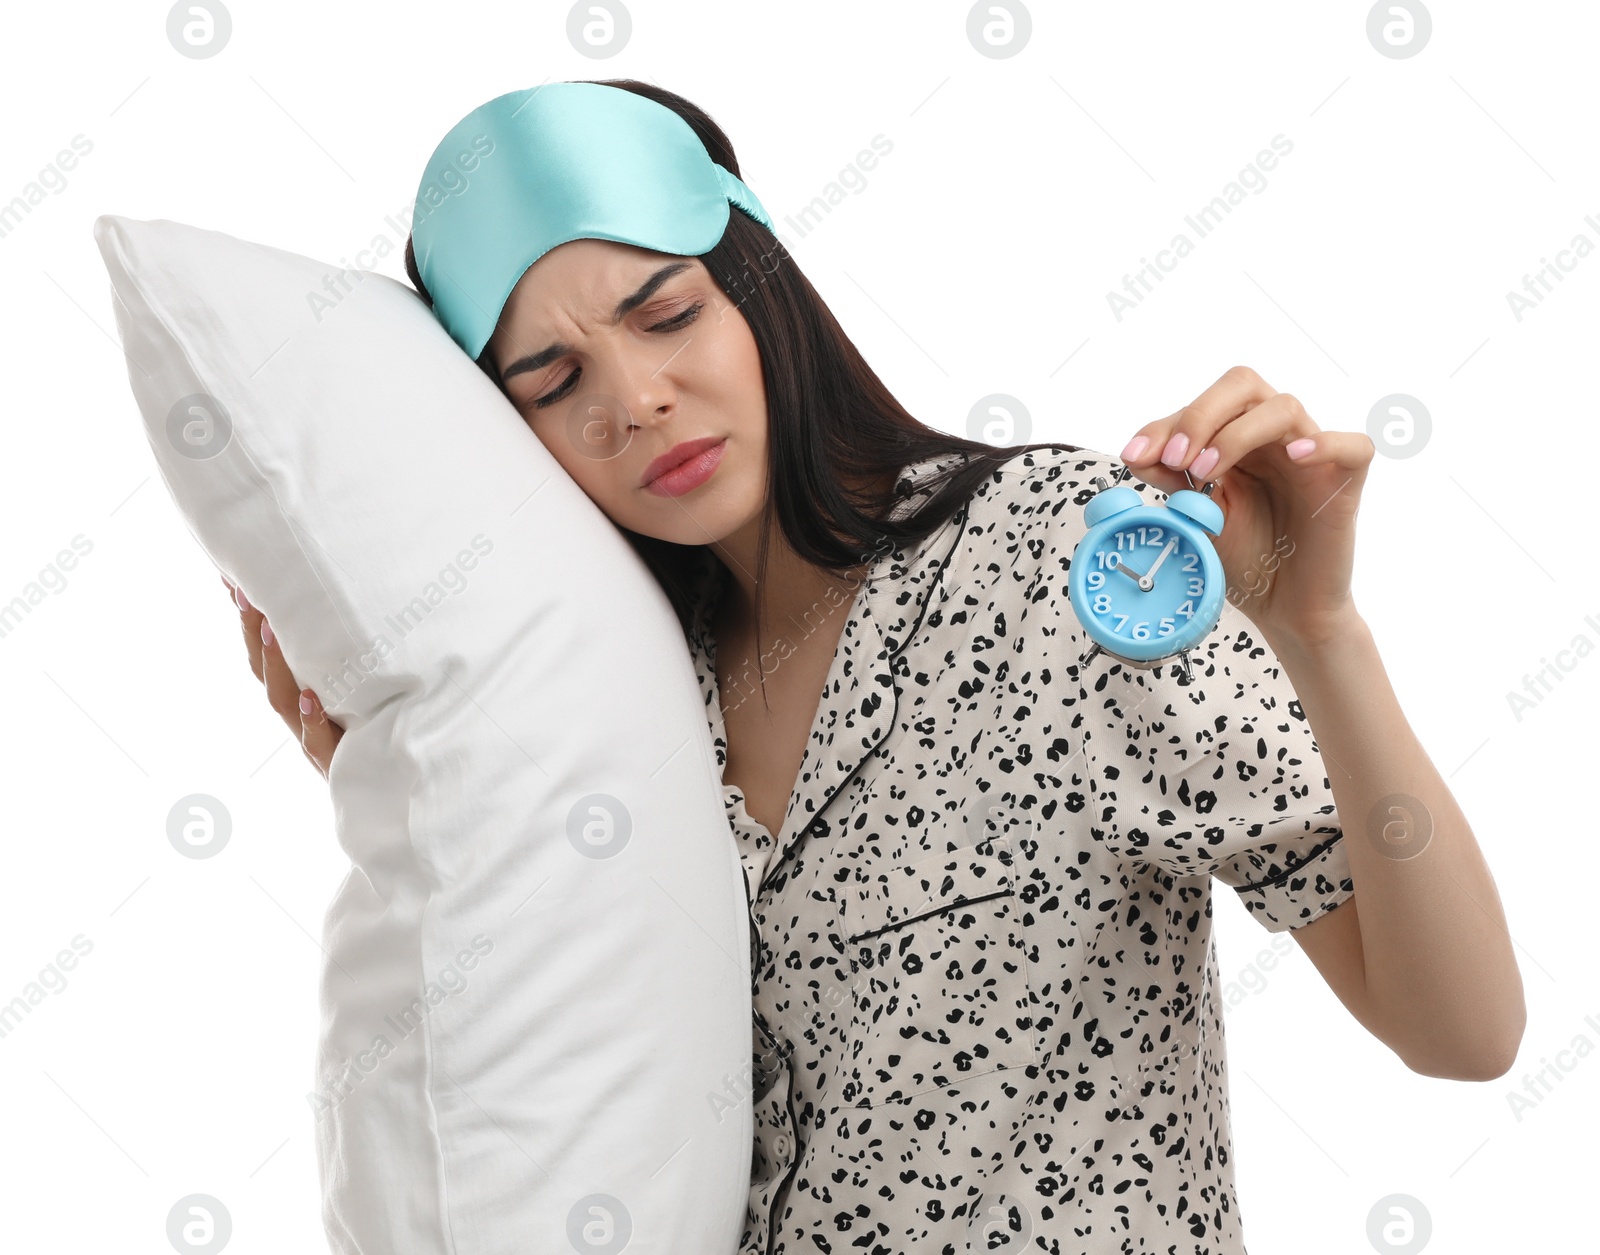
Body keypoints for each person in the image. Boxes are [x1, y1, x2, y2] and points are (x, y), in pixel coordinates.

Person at [223, 79, 1525, 1255]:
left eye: (666, 312)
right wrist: (417, 803)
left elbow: (1464, 1033)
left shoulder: (1057, 562)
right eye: (556, 382)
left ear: (760, 284)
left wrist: (1322, 634)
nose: (635, 398)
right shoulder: (618, 704)